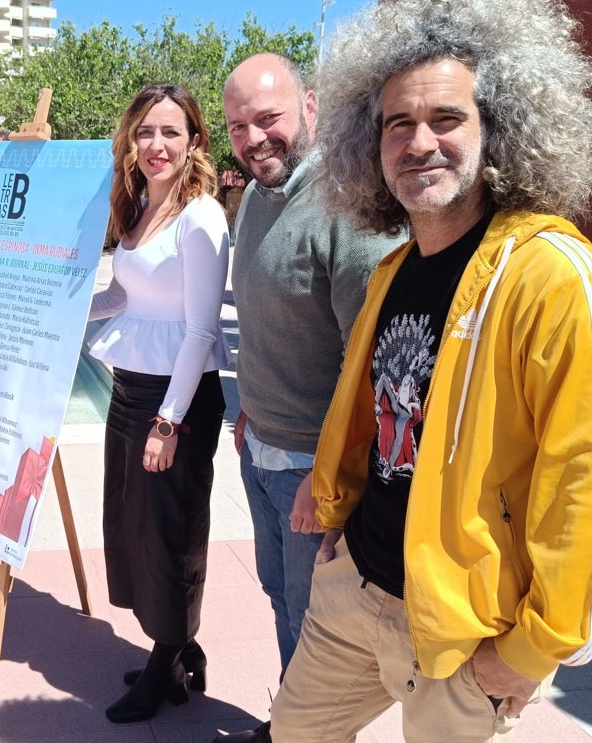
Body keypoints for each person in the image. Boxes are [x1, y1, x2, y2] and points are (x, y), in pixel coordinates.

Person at [269, 0, 592, 743]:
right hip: (355, 591)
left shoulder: (556, 277)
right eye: (395, 123)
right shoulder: (392, 271)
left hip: (464, 635)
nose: (419, 141)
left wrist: (533, 652)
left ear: (498, 126)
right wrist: (335, 513)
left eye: (447, 117)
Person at [215, 54, 403, 743]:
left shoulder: (347, 208)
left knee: (313, 625)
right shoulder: (259, 201)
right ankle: (288, 727)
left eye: (269, 118)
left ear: (312, 107)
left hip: (310, 473)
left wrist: (334, 483)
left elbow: (380, 366)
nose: (254, 137)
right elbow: (273, 324)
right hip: (261, 451)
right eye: (239, 126)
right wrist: (249, 415)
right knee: (282, 601)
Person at [88, 83, 231, 724]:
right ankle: (176, 646)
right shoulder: (142, 205)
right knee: (134, 529)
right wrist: (61, 313)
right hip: (130, 391)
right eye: (146, 131)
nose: (157, 144)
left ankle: (166, 661)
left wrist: (168, 421)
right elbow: (126, 298)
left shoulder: (201, 216)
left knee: (171, 536)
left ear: (194, 140)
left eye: (171, 132)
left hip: (175, 401)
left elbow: (202, 328)